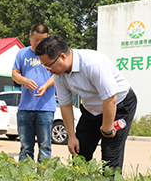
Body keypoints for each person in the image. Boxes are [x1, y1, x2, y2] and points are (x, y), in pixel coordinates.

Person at [35, 36, 137, 171]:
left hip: (118, 104)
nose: (47, 69)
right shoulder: (59, 74)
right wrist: (71, 136)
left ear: (62, 56)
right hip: (91, 110)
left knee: (109, 157)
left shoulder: (92, 64)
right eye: (44, 65)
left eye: (48, 64)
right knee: (79, 152)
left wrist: (106, 130)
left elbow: (110, 98)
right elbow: (65, 105)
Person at [12, 24, 56, 162]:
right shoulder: (22, 53)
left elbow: (57, 74)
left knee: (45, 147)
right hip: (25, 107)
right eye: (36, 39)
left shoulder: (52, 54)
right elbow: (14, 73)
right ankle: (26, 180)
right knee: (25, 147)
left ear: (48, 38)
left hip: (45, 108)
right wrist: (24, 80)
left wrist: (45, 85)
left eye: (42, 40)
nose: (39, 43)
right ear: (30, 37)